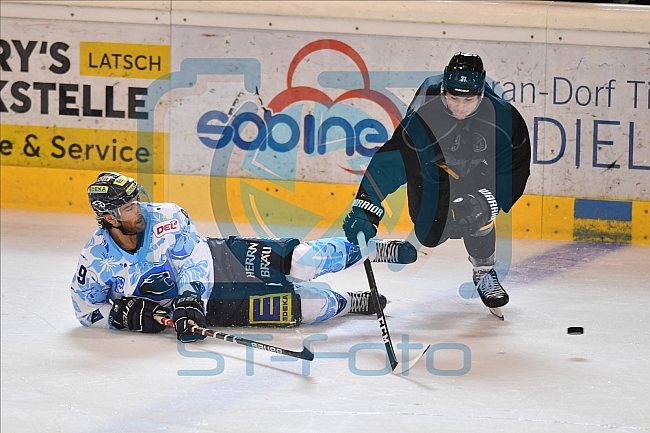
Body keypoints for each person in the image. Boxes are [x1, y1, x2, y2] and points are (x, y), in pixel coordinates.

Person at [72, 172, 417, 342]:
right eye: (129, 207)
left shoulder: (167, 216)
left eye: (137, 201)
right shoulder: (96, 259)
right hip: (213, 305)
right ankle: (347, 302)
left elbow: (192, 259)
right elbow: (85, 310)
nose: (140, 210)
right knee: (302, 308)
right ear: (110, 218)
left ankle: (369, 249)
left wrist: (190, 297)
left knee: (302, 261)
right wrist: (121, 317)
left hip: (221, 257)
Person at [343, 52, 531, 314]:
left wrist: (488, 200)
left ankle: (485, 271)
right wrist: (366, 205)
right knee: (430, 235)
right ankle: (392, 245)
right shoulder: (424, 115)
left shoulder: (503, 118)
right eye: (454, 97)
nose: (460, 107)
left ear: (482, 94)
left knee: (477, 210)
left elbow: (516, 165)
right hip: (433, 170)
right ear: (444, 91)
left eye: (469, 99)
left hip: (478, 173)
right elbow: (393, 162)